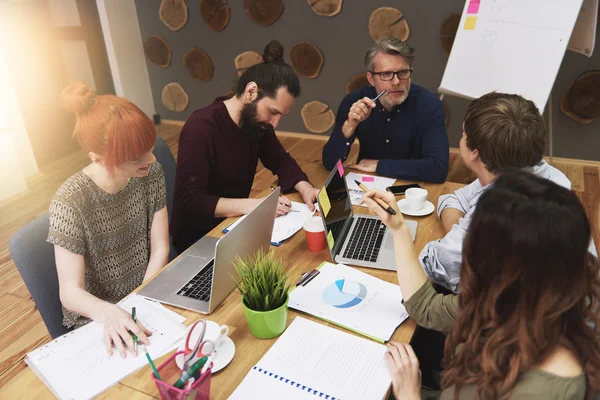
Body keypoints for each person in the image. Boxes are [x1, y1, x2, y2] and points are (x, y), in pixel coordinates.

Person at [362, 171, 600, 399]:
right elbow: (427, 307)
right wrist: (398, 228)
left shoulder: (543, 389)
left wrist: (410, 394)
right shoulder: (521, 300)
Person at [48, 81, 170, 358]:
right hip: (99, 318)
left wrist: (143, 299)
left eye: (149, 148)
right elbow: (70, 292)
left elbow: (161, 245)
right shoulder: (70, 202)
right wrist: (110, 311)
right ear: (99, 158)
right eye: (136, 157)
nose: (151, 158)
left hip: (144, 297)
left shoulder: (150, 172)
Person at [170, 40, 319, 254]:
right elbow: (191, 201)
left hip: (233, 227)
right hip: (198, 241)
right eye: (273, 112)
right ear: (251, 91)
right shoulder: (201, 128)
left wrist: (305, 188)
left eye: (281, 116)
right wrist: (254, 206)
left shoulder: (255, 122)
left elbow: (280, 160)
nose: (275, 123)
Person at [420, 92, 572, 293]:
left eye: (464, 134)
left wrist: (463, 243)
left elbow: (436, 264)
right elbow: (454, 199)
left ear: (475, 152)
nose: (461, 138)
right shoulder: (517, 168)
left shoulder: (503, 208)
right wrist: (463, 239)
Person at [322, 37, 449, 183]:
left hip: (413, 186)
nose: (396, 82)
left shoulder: (430, 105)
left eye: (403, 72)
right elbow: (329, 163)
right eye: (386, 74)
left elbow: (438, 169)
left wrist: (380, 165)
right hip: (367, 183)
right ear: (371, 78)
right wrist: (348, 127)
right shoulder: (354, 102)